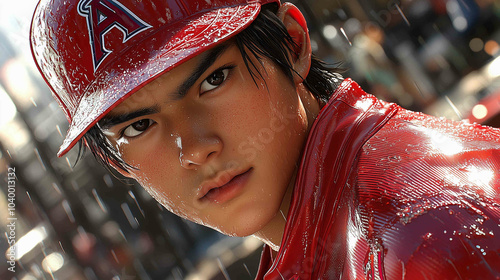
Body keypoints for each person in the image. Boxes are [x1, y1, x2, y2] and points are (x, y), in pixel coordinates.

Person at [30, 0, 500, 278]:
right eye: (138, 126)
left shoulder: (428, 234)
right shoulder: (341, 230)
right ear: (117, 162)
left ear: (292, 44)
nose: (193, 148)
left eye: (212, 81)